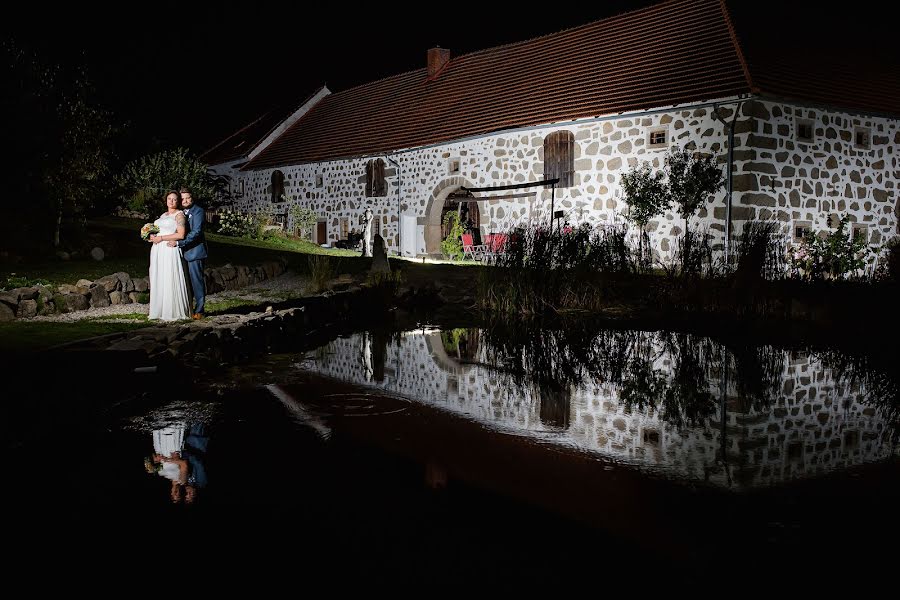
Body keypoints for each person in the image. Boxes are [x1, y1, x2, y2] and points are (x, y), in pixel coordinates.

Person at [148, 191, 191, 320]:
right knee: (159, 276)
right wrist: (151, 236)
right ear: (166, 200)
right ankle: (159, 309)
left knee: (169, 276)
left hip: (168, 250)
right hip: (157, 250)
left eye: (174, 199)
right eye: (169, 199)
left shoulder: (179, 215)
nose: (171, 201)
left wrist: (161, 238)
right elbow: (158, 230)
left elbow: (180, 234)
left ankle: (171, 310)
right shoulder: (163, 215)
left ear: (178, 201)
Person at [167, 187, 207, 319]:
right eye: (182, 198)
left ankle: (200, 310)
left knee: (196, 281)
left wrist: (179, 243)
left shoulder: (198, 211)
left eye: (187, 198)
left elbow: (196, 232)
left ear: (192, 198)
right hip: (179, 253)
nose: (184, 201)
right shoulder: (179, 212)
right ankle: (186, 309)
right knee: (183, 283)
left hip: (194, 252)